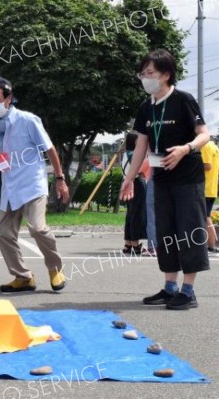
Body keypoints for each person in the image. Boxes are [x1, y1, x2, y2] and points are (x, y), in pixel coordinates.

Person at [120, 49, 210, 310]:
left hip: (188, 179)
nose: (146, 77)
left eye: (151, 73)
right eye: (143, 73)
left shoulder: (183, 100)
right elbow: (141, 146)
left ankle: (188, 290)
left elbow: (204, 134)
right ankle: (170, 287)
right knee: (165, 232)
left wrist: (186, 149)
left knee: (189, 231)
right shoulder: (146, 107)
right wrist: (130, 177)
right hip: (161, 179)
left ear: (166, 75)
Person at [0, 76, 69, 293]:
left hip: (33, 184)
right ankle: (23, 277)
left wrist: (60, 179)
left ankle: (55, 268)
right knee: (2, 232)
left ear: (9, 98)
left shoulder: (28, 120)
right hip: (10, 188)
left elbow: (50, 149)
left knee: (38, 228)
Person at [121, 132, 149, 255]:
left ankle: (128, 244)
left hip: (127, 182)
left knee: (130, 214)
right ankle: (135, 244)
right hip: (136, 183)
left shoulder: (125, 154)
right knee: (137, 214)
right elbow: (142, 169)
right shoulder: (134, 154)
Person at [201, 140, 219, 253]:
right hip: (211, 187)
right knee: (205, 216)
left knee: (205, 216)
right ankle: (211, 245)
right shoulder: (214, 146)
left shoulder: (205, 146)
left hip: (205, 187)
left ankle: (211, 245)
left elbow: (207, 165)